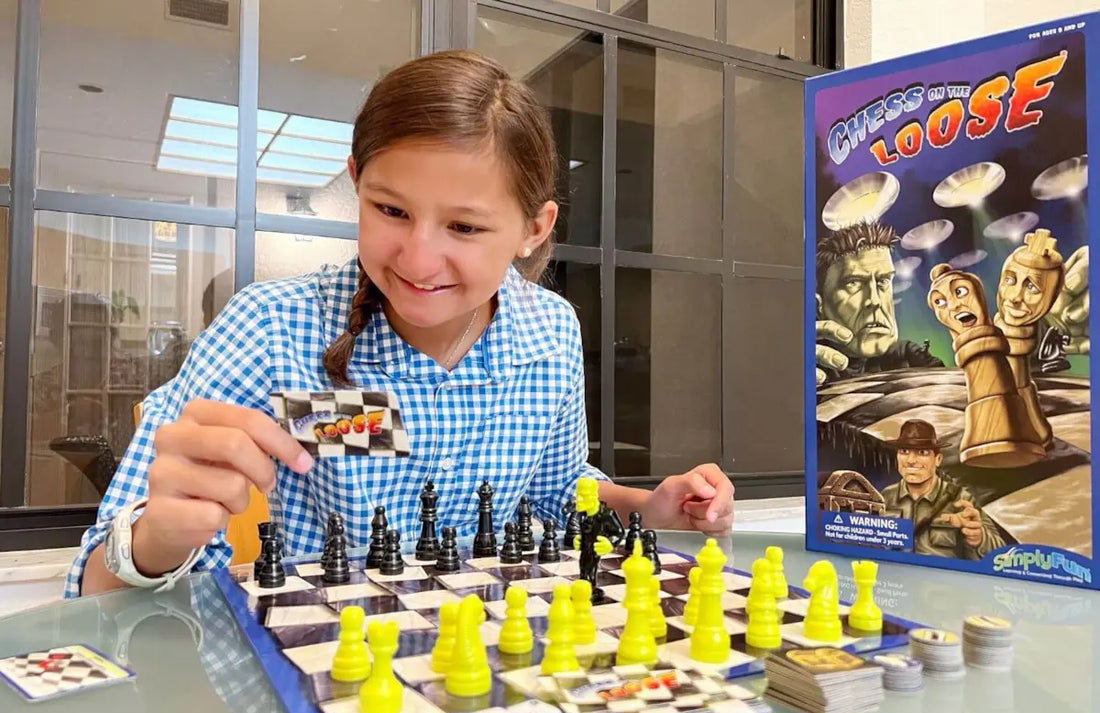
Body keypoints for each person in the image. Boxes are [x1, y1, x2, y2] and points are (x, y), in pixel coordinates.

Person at [68, 50, 734, 598]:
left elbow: (557, 495)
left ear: (534, 228)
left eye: (464, 226)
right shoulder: (269, 330)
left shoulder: (551, 333)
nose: (417, 259)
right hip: (319, 666)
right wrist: (156, 540)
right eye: (390, 211)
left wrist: (650, 507)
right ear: (356, 182)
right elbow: (92, 587)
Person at [815, 221, 943, 385]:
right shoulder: (809, 361)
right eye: (853, 283)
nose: (875, 300)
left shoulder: (907, 356)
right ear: (819, 306)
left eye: (883, 281)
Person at [879, 419, 1004, 560]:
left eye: (922, 452)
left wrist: (980, 538)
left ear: (938, 459)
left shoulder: (960, 499)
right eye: (904, 451)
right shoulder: (886, 497)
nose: (911, 460)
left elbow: (1002, 555)